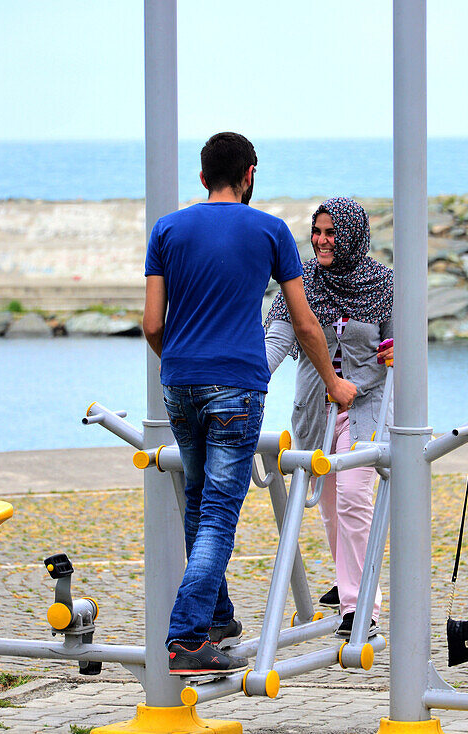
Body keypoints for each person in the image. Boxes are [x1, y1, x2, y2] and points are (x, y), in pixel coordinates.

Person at [143, 132, 357, 677]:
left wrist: (183, 363)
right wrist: (334, 383)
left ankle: (217, 619)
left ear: (201, 177)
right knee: (217, 512)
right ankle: (187, 638)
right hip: (237, 386)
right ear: (250, 173)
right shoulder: (270, 231)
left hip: (180, 382)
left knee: (197, 501)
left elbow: (151, 324)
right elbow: (305, 323)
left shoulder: (166, 229)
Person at [264, 197, 393, 639]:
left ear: (353, 235)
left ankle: (362, 607)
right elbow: (279, 335)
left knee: (356, 497)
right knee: (331, 506)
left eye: (331, 233)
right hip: (315, 410)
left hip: (366, 406)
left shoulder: (384, 283)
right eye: (317, 231)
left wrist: (399, 348)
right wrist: (248, 376)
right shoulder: (302, 282)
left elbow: (403, 340)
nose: (321, 241)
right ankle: (347, 582)